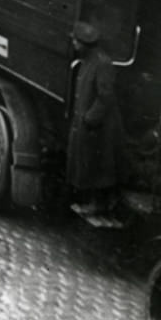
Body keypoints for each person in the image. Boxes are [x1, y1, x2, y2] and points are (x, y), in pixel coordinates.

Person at [66, 21, 125, 216]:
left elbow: (105, 96)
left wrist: (90, 119)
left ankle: (99, 204)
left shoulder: (102, 63)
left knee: (99, 166)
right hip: (91, 124)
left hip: (101, 126)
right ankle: (94, 200)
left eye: (76, 41)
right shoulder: (89, 60)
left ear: (84, 44)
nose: (74, 44)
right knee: (89, 161)